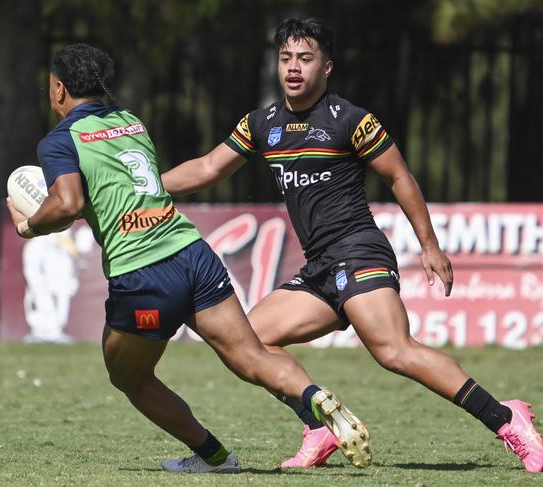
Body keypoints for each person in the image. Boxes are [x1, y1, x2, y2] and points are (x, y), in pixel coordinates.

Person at [161, 18, 543, 472]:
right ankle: (319, 425)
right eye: (286, 59)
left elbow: (398, 176)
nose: (294, 68)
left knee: (393, 351)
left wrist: (430, 246)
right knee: (248, 343)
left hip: (359, 251)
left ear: (327, 67)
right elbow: (207, 168)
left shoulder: (351, 121)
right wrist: (142, 189)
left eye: (305, 59)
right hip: (320, 268)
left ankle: (506, 418)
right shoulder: (261, 123)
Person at [6, 43, 375, 473]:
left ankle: (215, 457)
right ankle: (316, 400)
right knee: (251, 356)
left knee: (128, 376)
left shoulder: (59, 139)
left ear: (59, 90)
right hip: (192, 254)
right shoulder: (130, 122)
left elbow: (68, 203)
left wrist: (29, 225)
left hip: (143, 275)